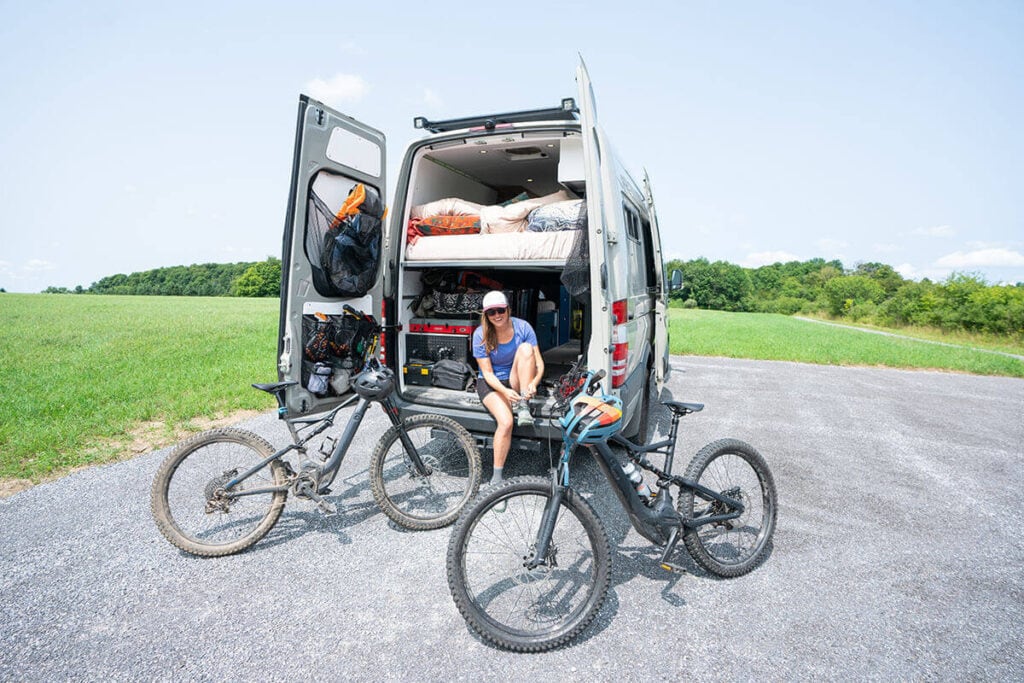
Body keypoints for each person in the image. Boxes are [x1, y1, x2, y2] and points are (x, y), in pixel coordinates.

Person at [472, 290, 545, 487]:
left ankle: (523, 404)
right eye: (491, 312)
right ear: (486, 315)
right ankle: (496, 480)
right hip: (491, 383)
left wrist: (533, 384)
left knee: (526, 349)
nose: (497, 315)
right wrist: (505, 392)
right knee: (505, 423)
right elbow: (487, 373)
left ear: (508, 309)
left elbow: (539, 363)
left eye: (501, 310)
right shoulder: (480, 334)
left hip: (514, 379)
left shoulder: (523, 327)